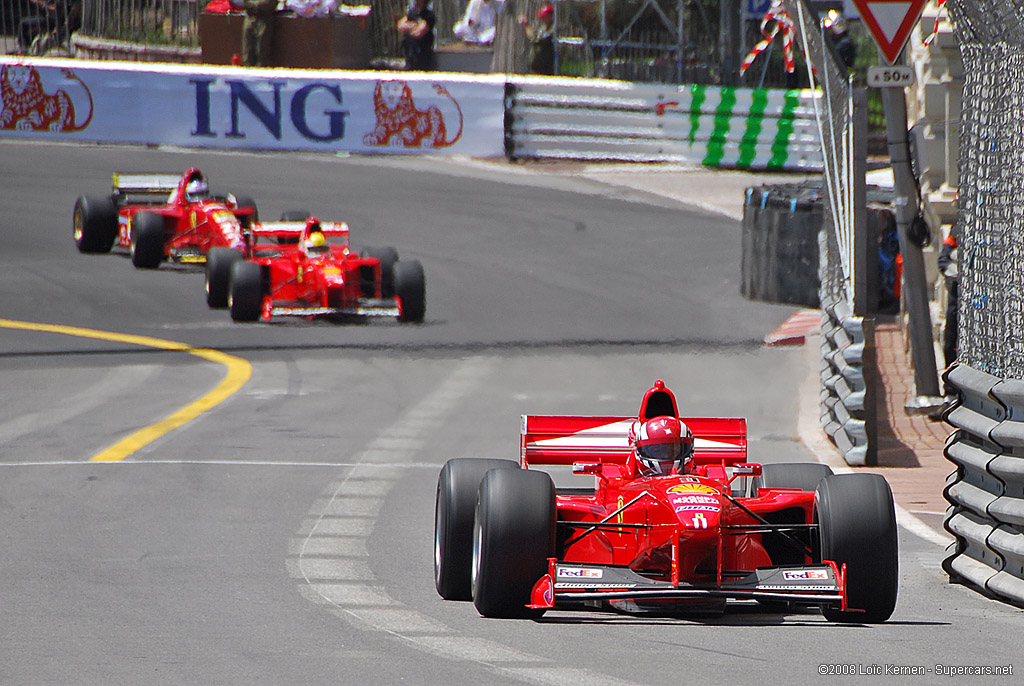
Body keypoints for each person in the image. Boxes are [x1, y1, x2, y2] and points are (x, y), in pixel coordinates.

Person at [938, 221, 959, 371]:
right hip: (957, 291)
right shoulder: (956, 230)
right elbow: (943, 260)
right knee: (951, 338)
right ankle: (950, 384)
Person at [397, 0, 436, 71]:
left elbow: (419, 33)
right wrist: (415, 26)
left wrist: (408, 28)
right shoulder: (412, 12)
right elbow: (401, 26)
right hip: (409, 53)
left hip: (422, 55)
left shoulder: (428, 15)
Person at [519, 3, 554, 76]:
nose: (543, 19)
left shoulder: (553, 30)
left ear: (551, 16)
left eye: (545, 17)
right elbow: (536, 36)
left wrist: (526, 26)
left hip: (546, 67)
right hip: (537, 67)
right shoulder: (543, 28)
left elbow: (537, 40)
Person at [241, 0, 277, 67]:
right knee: (248, 45)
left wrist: (257, 5)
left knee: (262, 46)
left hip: (264, 18)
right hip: (250, 17)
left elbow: (270, 3)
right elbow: (245, 2)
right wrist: (253, 5)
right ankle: (247, 66)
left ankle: (261, 67)